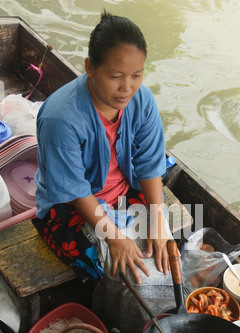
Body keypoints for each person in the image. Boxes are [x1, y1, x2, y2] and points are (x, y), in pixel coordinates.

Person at [32, 11, 170, 285]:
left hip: (123, 191)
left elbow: (149, 164)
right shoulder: (60, 118)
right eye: (116, 76)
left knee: (165, 242)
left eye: (136, 75)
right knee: (119, 270)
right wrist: (114, 236)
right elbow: (75, 190)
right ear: (90, 67)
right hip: (71, 207)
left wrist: (158, 220)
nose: (127, 88)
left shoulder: (142, 100)